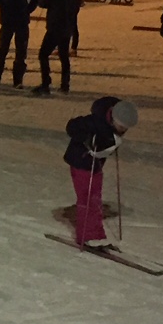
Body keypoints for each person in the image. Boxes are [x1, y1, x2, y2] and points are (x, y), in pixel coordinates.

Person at [62, 97, 138, 249]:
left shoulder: (113, 123)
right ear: (114, 118)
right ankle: (86, 235)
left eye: (125, 128)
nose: (123, 131)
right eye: (121, 126)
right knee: (87, 199)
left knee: (95, 199)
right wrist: (87, 138)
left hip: (95, 164)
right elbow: (71, 127)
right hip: (81, 162)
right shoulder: (94, 120)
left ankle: (96, 233)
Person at [32, 0, 81, 96]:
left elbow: (42, 2)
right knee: (64, 56)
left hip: (56, 25)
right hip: (68, 25)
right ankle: (65, 85)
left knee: (43, 54)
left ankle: (45, 83)